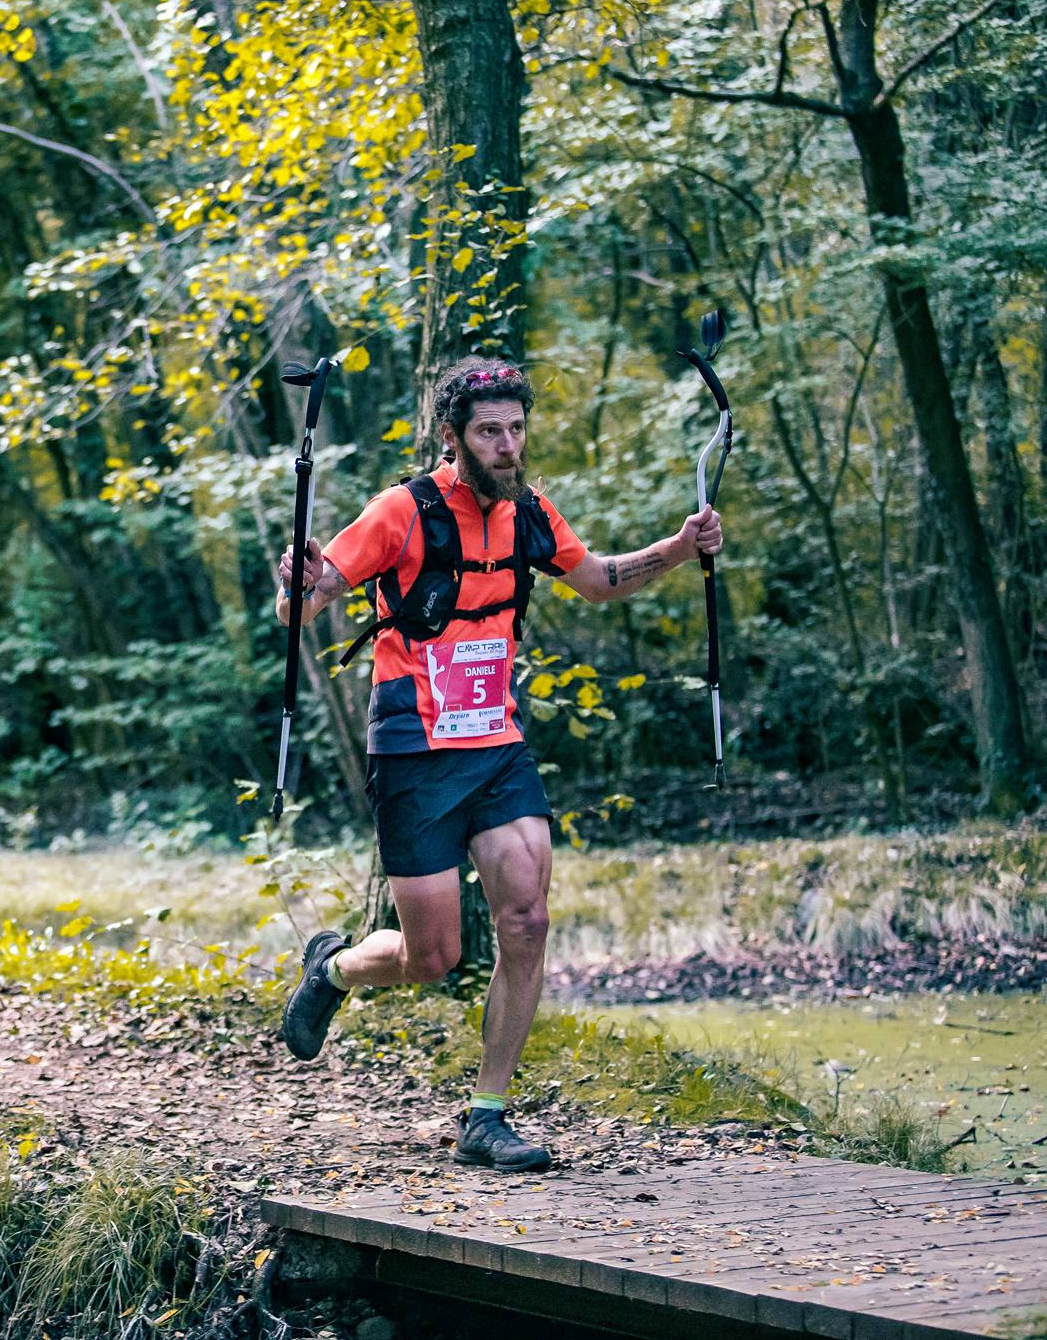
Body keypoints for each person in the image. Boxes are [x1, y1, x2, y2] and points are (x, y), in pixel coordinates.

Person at [272, 356, 723, 1171]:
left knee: (526, 917)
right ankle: (333, 967)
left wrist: (681, 547)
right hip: (413, 745)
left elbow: (598, 579)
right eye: (491, 431)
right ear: (454, 436)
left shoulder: (532, 513)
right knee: (431, 955)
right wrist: (296, 583)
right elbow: (303, 603)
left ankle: (487, 1114)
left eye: (517, 429)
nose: (508, 445)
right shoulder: (401, 513)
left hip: (497, 745)